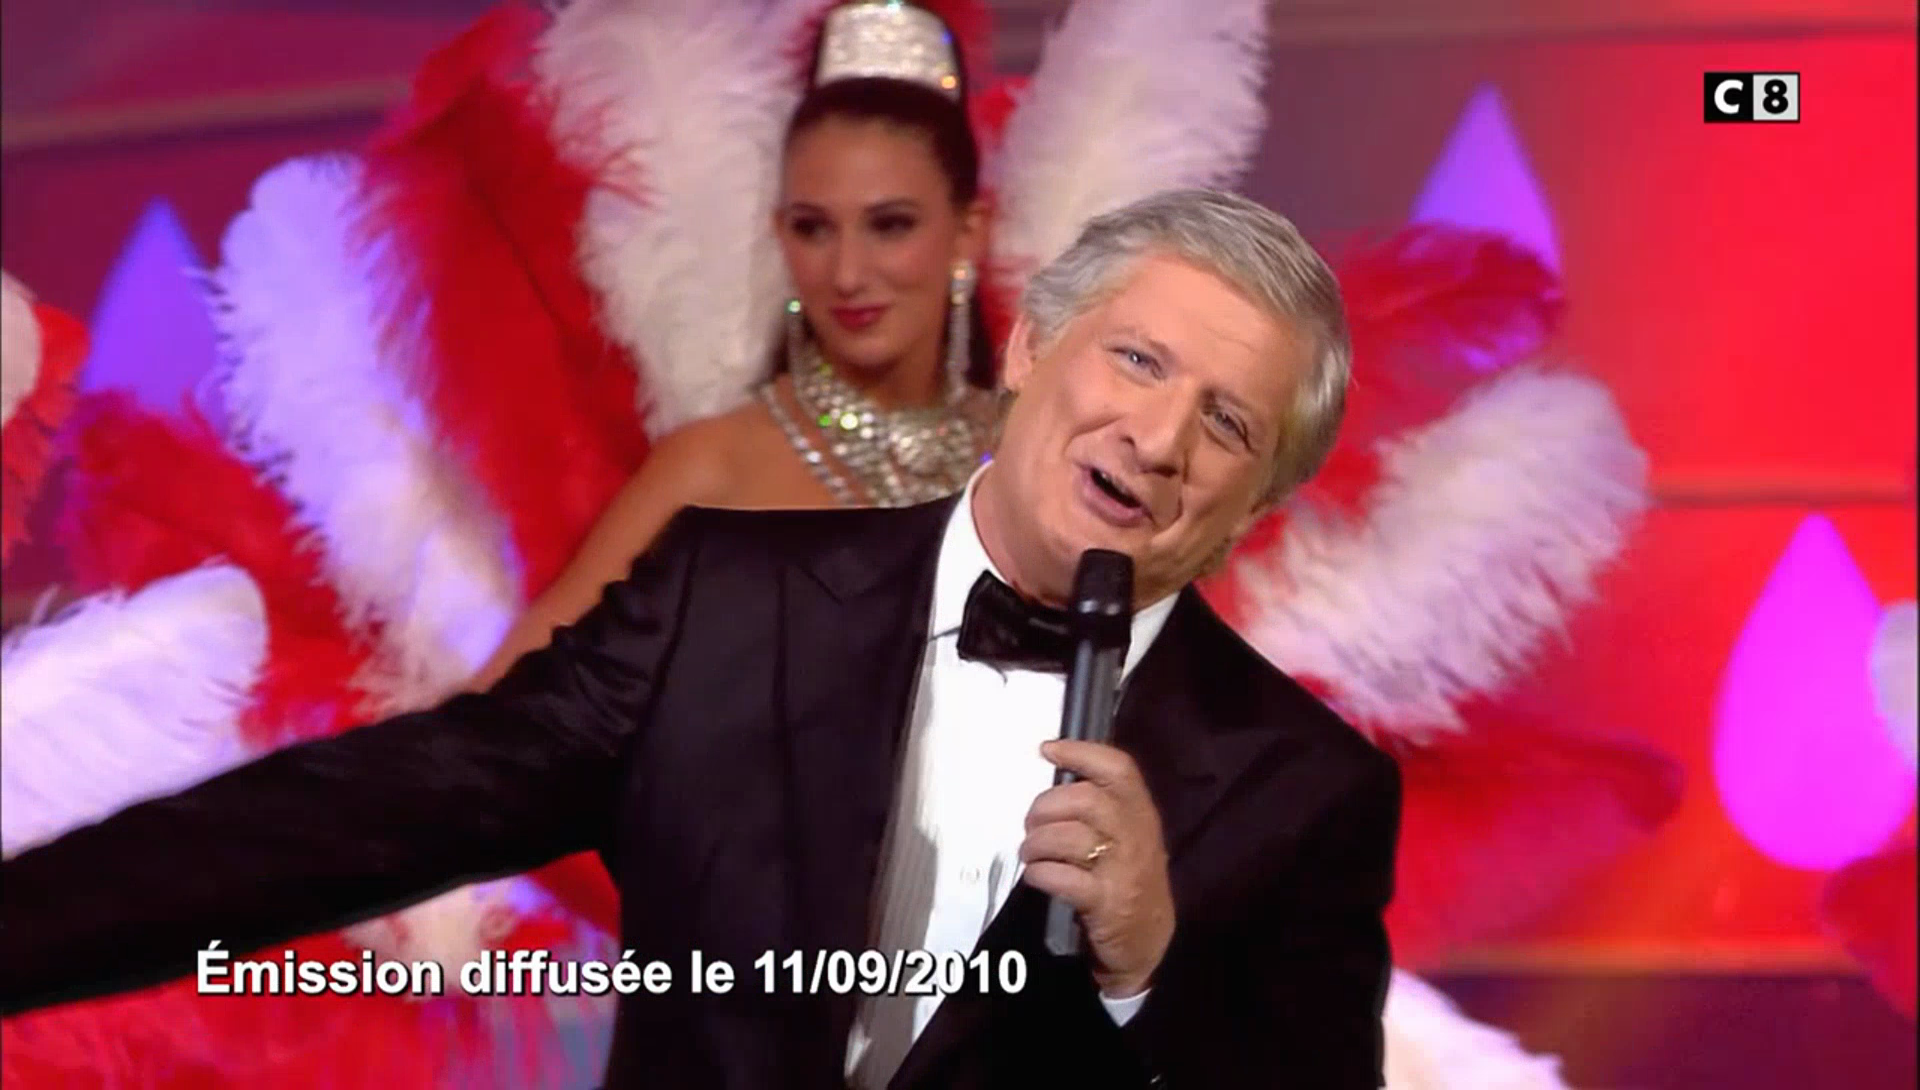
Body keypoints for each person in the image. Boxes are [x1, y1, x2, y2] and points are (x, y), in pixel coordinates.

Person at [1, 187, 1400, 1089]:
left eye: (1226, 422)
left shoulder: (1309, 789)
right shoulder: (726, 603)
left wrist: (1149, 960)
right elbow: (350, 816)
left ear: (1257, 502)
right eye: (1137, 359)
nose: (1156, 436)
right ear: (1034, 345)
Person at [466, 0, 999, 691]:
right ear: (781, 234)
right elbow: (501, 704)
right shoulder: (713, 468)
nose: (846, 273)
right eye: (813, 228)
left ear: (967, 234)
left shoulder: (1030, 451)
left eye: (890, 225)